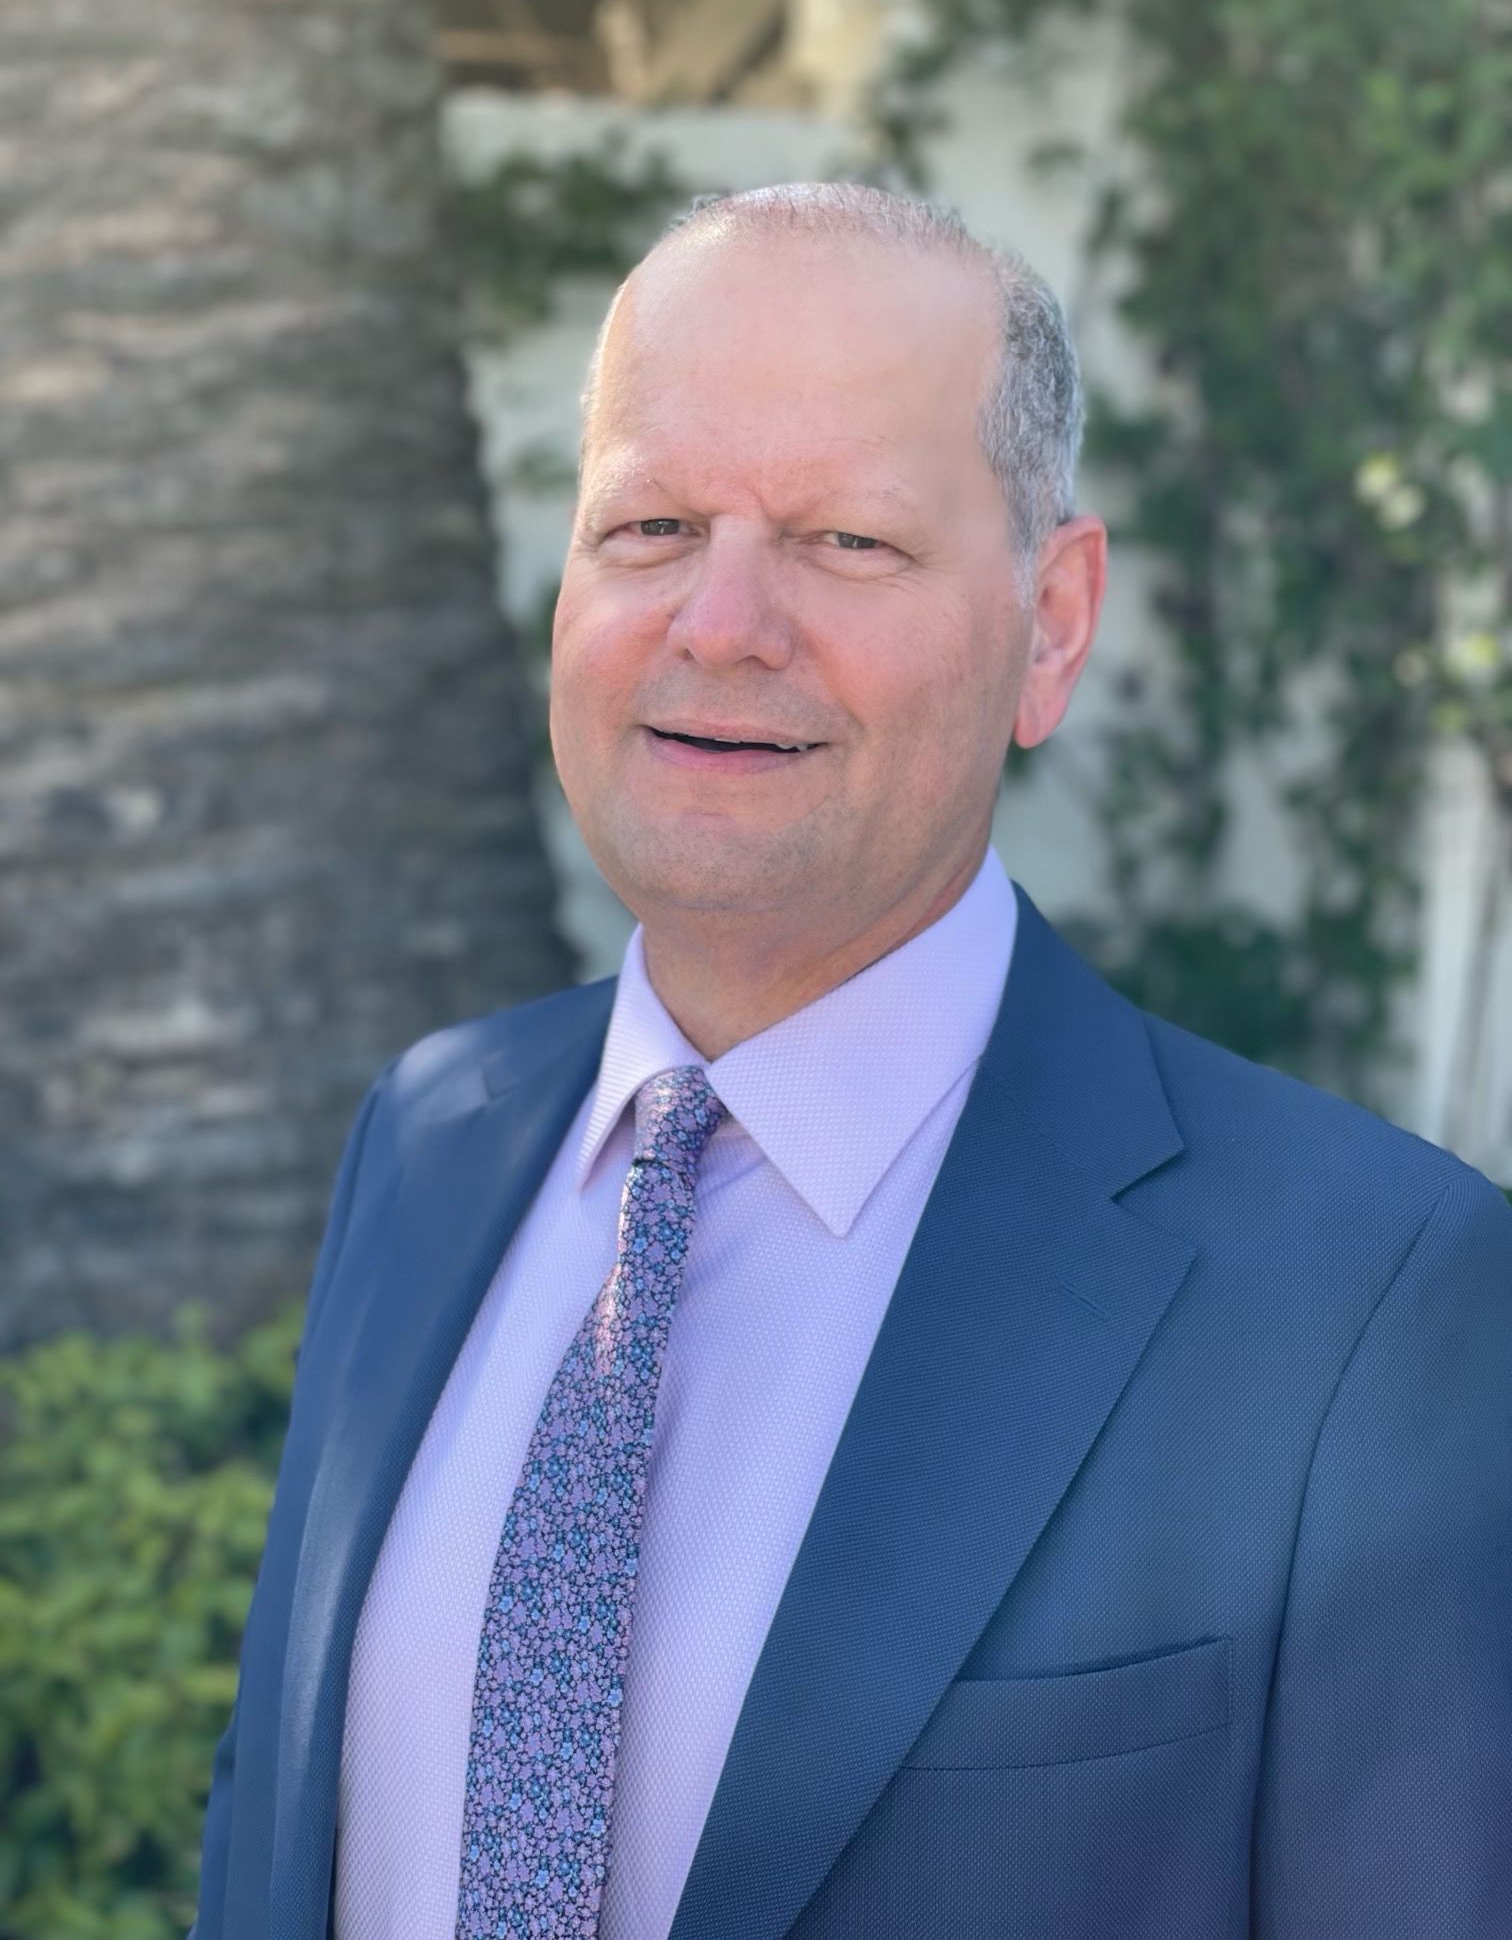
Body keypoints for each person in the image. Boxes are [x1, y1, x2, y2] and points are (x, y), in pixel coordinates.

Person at [189, 182, 1512, 1940]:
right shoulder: (431, 1142)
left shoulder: (1366, 1301)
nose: (720, 624)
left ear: (1051, 622)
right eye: (650, 525)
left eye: (845, 543)